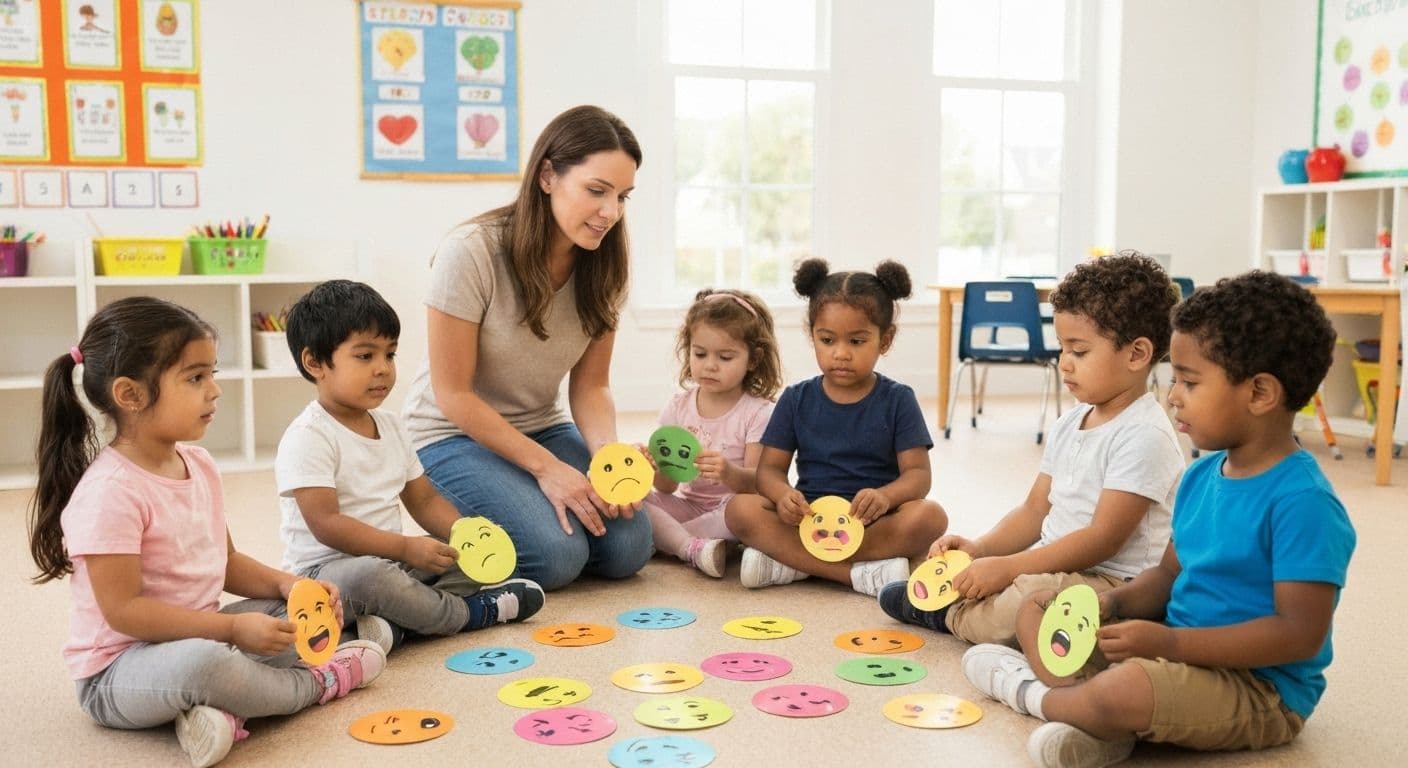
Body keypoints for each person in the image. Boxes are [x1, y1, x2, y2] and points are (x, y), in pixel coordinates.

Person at [961, 272, 1356, 768]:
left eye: (1189, 382)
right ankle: (1102, 720)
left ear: (1259, 394)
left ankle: (1035, 696)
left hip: (1257, 686)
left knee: (1127, 686)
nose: (1172, 396)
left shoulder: (1304, 502)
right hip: (1176, 649)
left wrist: (1171, 642)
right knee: (1039, 607)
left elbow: (1298, 635)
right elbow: (1167, 576)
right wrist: (1111, 603)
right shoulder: (1203, 475)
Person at [27, 297, 385, 768]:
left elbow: (227, 562)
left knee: (286, 617)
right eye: (196, 378)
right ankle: (318, 683)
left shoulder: (198, 464)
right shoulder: (109, 493)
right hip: (118, 671)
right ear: (130, 395)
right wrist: (232, 628)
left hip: (199, 634)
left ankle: (214, 713)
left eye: (211, 374)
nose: (214, 390)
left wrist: (292, 586)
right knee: (207, 666)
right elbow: (125, 613)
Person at [402, 105, 652, 591]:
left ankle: (514, 506)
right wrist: (548, 469)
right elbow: (453, 394)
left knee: (629, 546)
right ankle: (453, 525)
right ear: (547, 176)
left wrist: (608, 458)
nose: (611, 212)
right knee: (557, 556)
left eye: (622, 197)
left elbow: (591, 386)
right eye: (597, 191)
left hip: (540, 424)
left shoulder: (607, 266)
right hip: (450, 434)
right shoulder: (471, 251)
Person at [879, 252, 1185, 647]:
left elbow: (1102, 540)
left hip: (1117, 584)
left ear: (1137, 354)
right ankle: (974, 605)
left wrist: (1008, 569)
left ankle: (947, 614)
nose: (1064, 363)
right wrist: (981, 549)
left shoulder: (1145, 435)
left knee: (1026, 601)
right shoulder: (1071, 422)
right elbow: (1034, 511)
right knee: (1015, 585)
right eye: (1062, 348)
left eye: (1079, 351)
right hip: (1056, 565)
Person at [277, 280, 545, 655]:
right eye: (365, 356)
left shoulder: (392, 426)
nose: (383, 369)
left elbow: (424, 500)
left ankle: (396, 626)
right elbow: (327, 524)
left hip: (393, 564)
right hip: (330, 579)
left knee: (469, 561)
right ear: (315, 363)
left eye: (390, 355)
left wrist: (468, 536)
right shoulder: (309, 436)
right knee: (374, 577)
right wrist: (404, 547)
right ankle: (471, 613)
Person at [724, 258, 948, 596]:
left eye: (856, 342)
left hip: (870, 523)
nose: (840, 354)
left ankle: (792, 563)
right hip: (809, 521)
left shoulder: (899, 399)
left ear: (885, 340)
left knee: (930, 516)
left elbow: (918, 476)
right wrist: (783, 495)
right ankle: (855, 575)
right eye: (827, 340)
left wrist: (885, 496)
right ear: (812, 335)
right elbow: (768, 472)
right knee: (740, 509)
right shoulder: (796, 398)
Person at [644, 288, 782, 577]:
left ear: (753, 359)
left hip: (731, 508)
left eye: (725, 357)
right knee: (638, 501)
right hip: (689, 504)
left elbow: (760, 484)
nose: (710, 365)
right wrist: (654, 466)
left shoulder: (758, 412)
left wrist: (728, 472)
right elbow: (666, 487)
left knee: (750, 510)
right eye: (700, 354)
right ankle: (691, 546)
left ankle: (669, 540)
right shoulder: (678, 406)